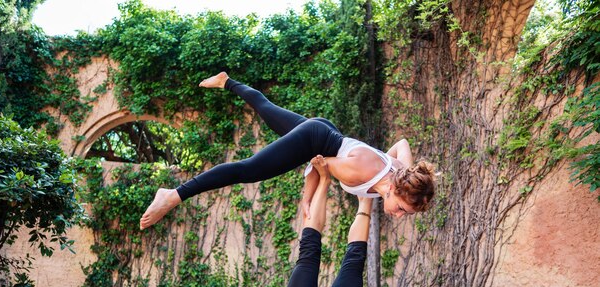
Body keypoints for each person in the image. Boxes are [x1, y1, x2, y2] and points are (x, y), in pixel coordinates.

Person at [192, 156, 426, 287]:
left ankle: (323, 181)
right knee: (356, 257)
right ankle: (366, 199)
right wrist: (376, 182)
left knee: (309, 253)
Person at [140, 72, 436, 230]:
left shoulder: (399, 172)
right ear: (395, 191)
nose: (397, 215)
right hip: (316, 140)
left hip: (327, 131)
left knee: (267, 110)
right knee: (249, 170)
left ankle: (226, 81)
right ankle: (173, 195)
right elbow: (319, 165)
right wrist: (306, 200)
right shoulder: (361, 170)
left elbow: (402, 144)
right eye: (401, 209)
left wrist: (397, 173)